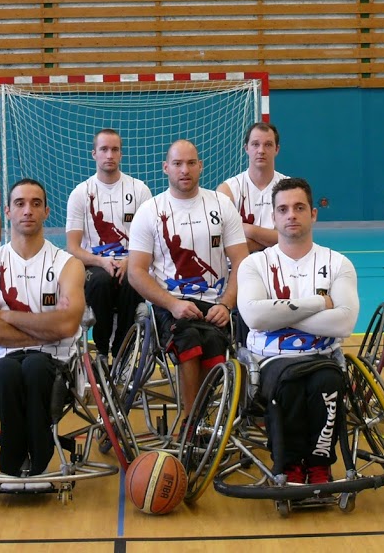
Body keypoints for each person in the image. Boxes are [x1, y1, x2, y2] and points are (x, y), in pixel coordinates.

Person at [237, 177, 359, 486]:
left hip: (322, 356)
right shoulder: (254, 264)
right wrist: (319, 303)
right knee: (287, 385)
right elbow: (252, 316)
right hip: (271, 359)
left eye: (299, 207)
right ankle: (288, 465)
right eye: (283, 209)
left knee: (328, 381)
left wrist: (277, 315)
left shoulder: (338, 263)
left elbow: (344, 322)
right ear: (274, 217)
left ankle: (319, 465)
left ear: (313, 214)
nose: (291, 214)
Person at [0, 179, 86, 477]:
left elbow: (68, 324)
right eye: (20, 203)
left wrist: (7, 316)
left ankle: (38, 456)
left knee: (35, 365)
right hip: (0, 360)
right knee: (9, 370)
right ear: (7, 211)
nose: (28, 210)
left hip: (54, 362)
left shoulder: (68, 264)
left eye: (36, 203)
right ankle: (14, 458)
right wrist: (46, 327)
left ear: (46, 212)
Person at [127, 139, 248, 415]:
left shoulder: (221, 204)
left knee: (215, 340)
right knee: (189, 335)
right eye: (178, 164)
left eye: (191, 163)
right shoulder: (151, 211)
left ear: (200, 167)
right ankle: (191, 420)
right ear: (165, 168)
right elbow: (135, 272)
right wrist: (172, 304)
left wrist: (227, 303)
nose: (185, 170)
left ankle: (205, 416)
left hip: (215, 303)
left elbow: (241, 259)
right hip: (170, 303)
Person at [65, 128, 151, 363]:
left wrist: (128, 261)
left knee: (131, 280)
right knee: (102, 281)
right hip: (95, 264)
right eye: (104, 149)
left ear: (121, 154)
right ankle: (101, 351)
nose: (109, 155)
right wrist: (102, 261)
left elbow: (150, 242)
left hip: (130, 262)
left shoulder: (140, 190)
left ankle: (123, 353)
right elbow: (73, 248)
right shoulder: (81, 193)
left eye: (114, 149)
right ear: (94, 154)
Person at [217, 122, 286, 254]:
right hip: (239, 267)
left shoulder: (289, 188)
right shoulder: (227, 190)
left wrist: (246, 229)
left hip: (280, 266)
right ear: (246, 148)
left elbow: (291, 237)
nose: (261, 150)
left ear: (277, 149)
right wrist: (271, 239)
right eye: (255, 144)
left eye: (268, 144)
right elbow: (220, 243)